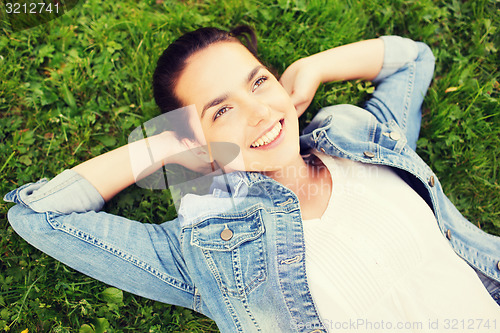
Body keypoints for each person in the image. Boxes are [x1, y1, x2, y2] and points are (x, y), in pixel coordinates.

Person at [5, 26, 500, 332]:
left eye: (258, 81)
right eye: (223, 111)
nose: (260, 112)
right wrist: (161, 145)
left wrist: (315, 67)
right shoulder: (209, 250)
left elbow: (414, 59)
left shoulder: (363, 140)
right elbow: (38, 217)